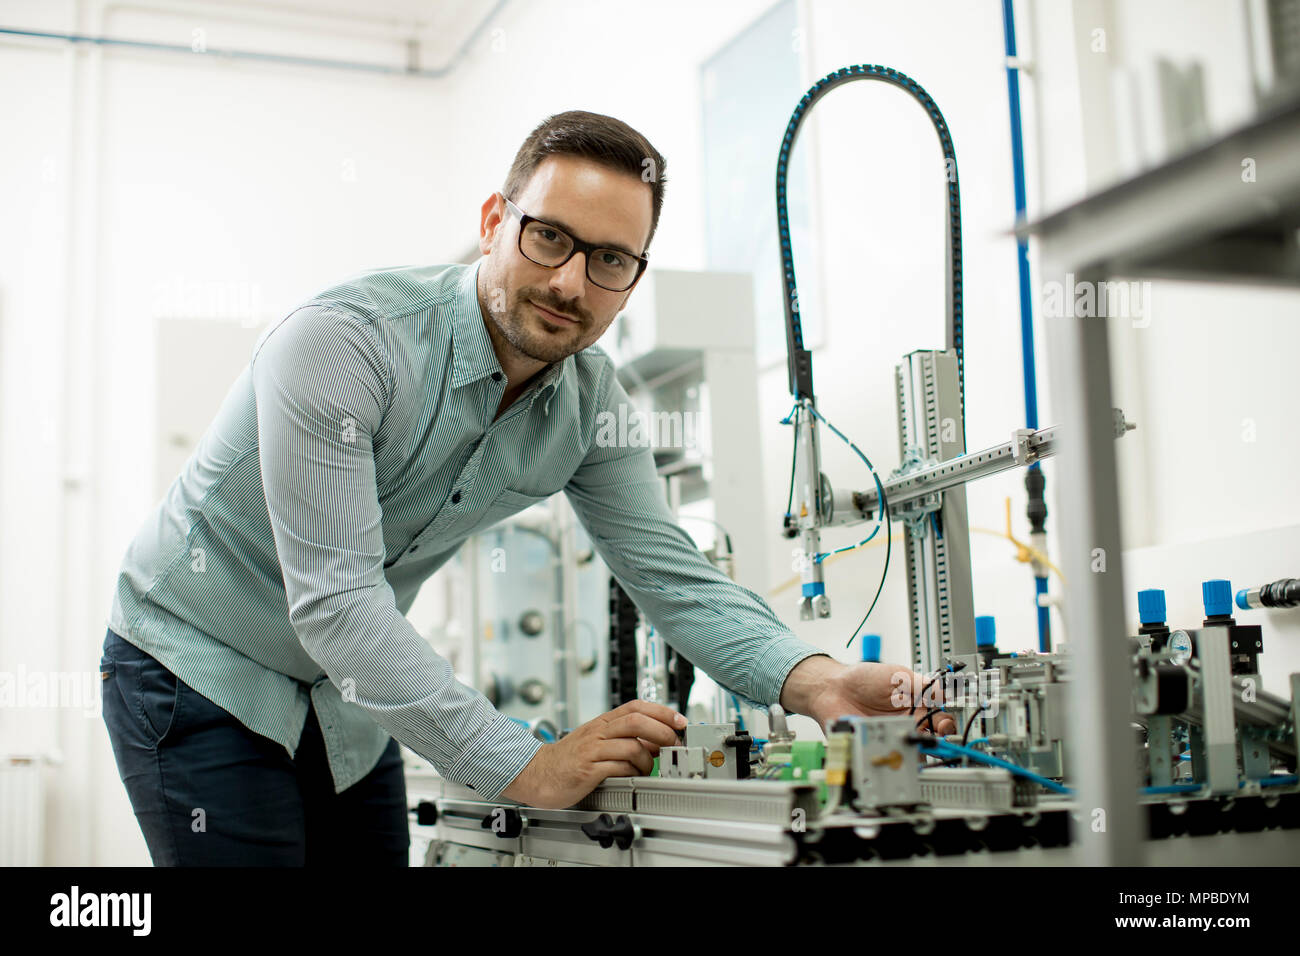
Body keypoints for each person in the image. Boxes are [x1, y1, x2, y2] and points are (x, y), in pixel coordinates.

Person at [100, 109, 954, 867]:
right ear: (492, 223)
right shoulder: (342, 345)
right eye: (550, 237)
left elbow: (672, 577)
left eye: (610, 259)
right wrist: (521, 763)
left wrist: (816, 682)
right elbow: (338, 606)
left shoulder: (590, 407)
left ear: (633, 279)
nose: (571, 284)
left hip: (342, 701)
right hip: (197, 662)